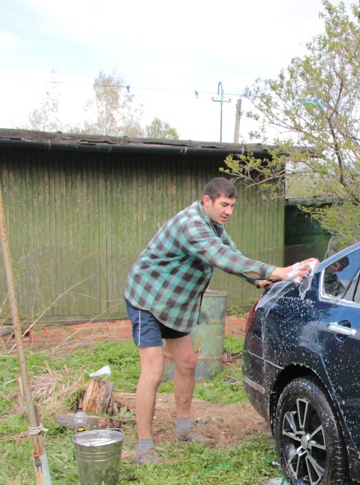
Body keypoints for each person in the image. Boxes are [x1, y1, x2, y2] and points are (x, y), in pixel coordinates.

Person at [124, 177, 316, 464]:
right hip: (147, 299)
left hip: (173, 306)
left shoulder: (214, 226)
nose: (228, 211)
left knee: (187, 362)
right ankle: (144, 447)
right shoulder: (191, 225)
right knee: (153, 371)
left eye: (232, 206)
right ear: (207, 201)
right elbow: (220, 257)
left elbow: (233, 255)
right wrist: (279, 271)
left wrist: (262, 278)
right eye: (223, 205)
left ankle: (185, 429)